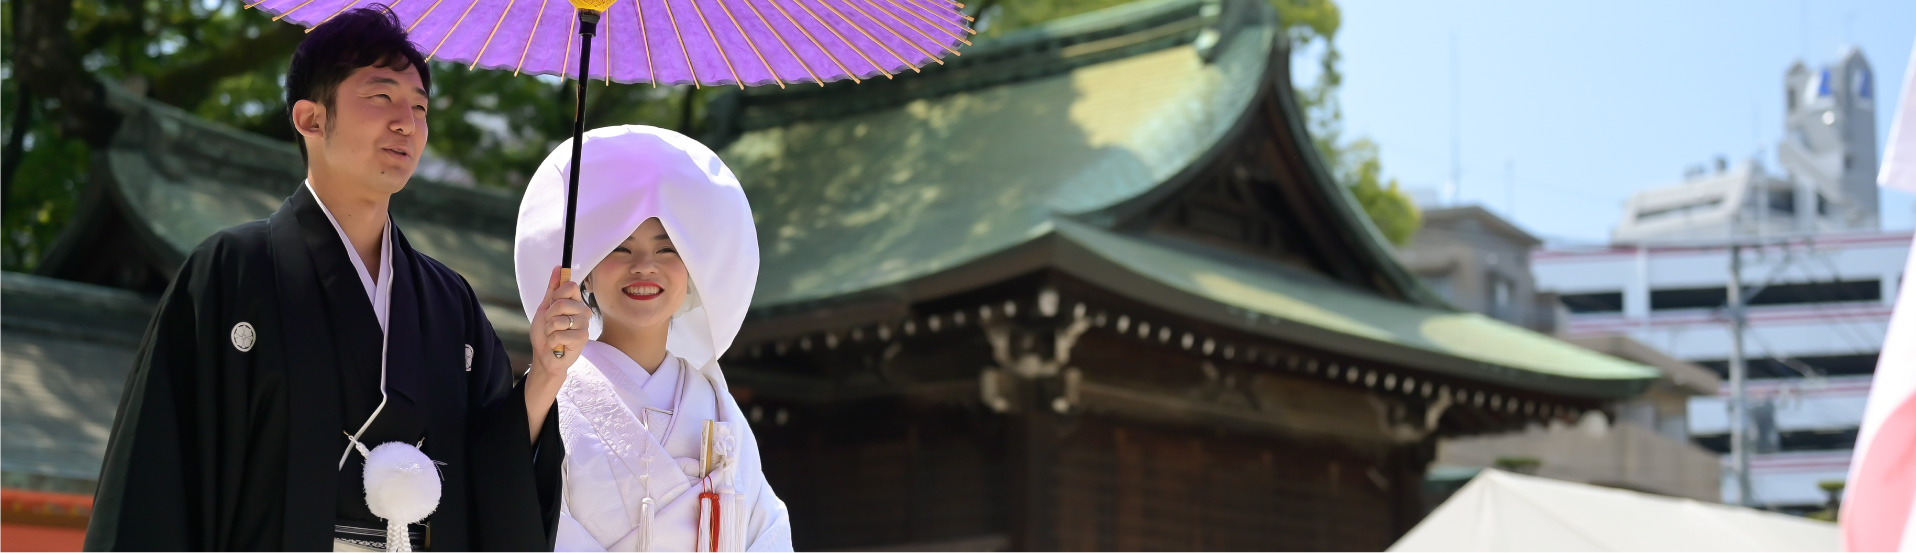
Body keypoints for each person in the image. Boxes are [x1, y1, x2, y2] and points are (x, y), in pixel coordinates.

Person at [84, 7, 565, 551]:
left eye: (420, 107)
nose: (407, 122)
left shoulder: (449, 301)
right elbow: (155, 476)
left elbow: (495, 480)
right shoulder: (231, 271)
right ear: (311, 118)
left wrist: (545, 373)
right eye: (381, 97)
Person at [515, 125, 793, 552]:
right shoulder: (552, 390)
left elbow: (764, 530)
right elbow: (516, 508)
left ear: (691, 271)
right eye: (621, 249)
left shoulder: (717, 404)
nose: (645, 266)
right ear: (586, 269)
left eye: (667, 249)